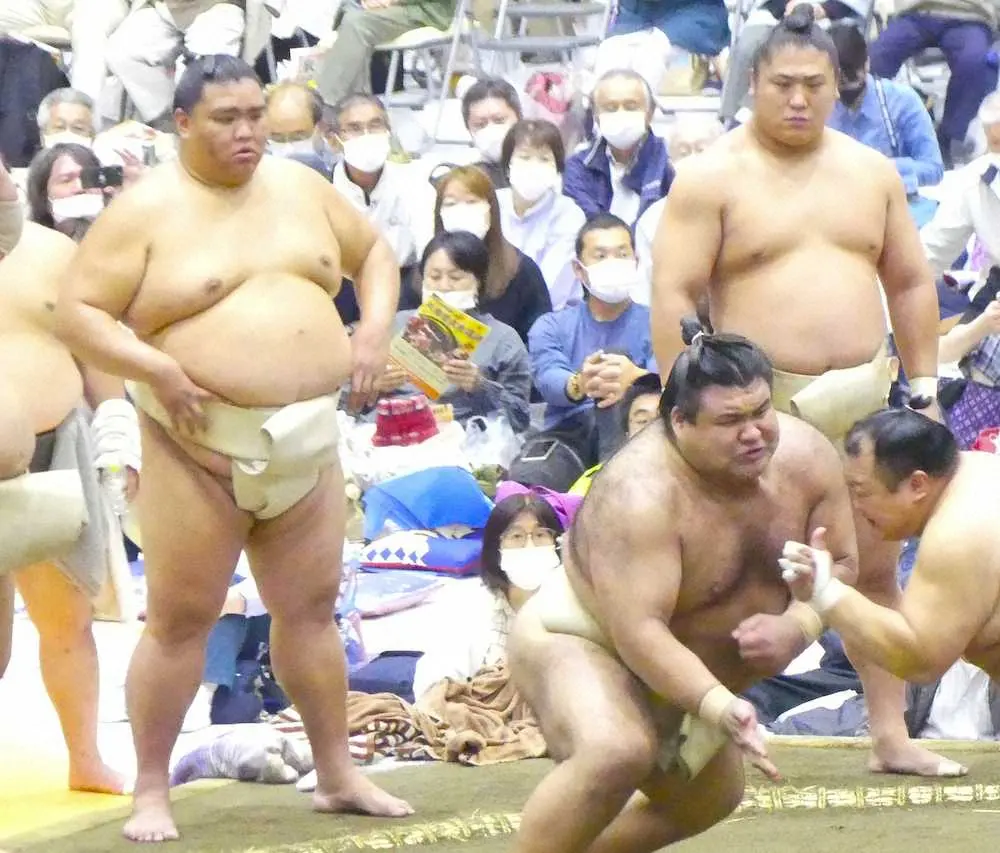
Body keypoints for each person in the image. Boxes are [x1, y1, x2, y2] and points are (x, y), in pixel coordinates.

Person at [54, 55, 412, 843]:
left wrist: (373, 329)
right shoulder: (146, 211)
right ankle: (152, 788)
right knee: (182, 620)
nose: (247, 131)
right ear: (182, 122)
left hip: (306, 441)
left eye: (255, 115)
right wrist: (154, 368)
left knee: (311, 612)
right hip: (195, 445)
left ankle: (337, 773)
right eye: (226, 118)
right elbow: (78, 311)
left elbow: (375, 255)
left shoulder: (303, 189)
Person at [651, 6, 957, 777]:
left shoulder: (871, 172)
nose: (798, 99)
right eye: (783, 84)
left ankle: (890, 734)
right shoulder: (711, 177)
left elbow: (910, 281)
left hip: (864, 394)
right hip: (757, 406)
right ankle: (689, 735)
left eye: (814, 85)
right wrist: (679, 411)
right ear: (752, 82)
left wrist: (923, 386)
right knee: (730, 575)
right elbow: (675, 294)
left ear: (837, 85)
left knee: (874, 571)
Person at [509, 324, 862, 853]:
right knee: (616, 750)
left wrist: (799, 624)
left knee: (708, 798)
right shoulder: (640, 494)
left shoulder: (807, 457)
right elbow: (639, 632)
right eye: (730, 421)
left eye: (760, 412)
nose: (754, 434)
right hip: (583, 637)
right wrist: (718, 706)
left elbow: (845, 561)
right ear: (679, 421)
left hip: (691, 666)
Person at [0, 216, 137, 796]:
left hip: (57, 443)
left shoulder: (52, 250)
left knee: (68, 619)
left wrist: (117, 428)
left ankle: (86, 758)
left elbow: (93, 345)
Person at [781, 408, 1000, 697]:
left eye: (861, 492)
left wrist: (826, 591)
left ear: (917, 484)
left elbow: (921, 660)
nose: (855, 507)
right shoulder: (977, 468)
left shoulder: (958, 533)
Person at [412, 488, 570, 699]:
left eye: (540, 535)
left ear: (557, 543)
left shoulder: (571, 603)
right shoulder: (471, 606)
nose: (529, 546)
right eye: (516, 536)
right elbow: (435, 679)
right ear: (496, 548)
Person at [528, 214, 656, 468]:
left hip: (642, 429)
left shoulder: (659, 322)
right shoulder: (550, 326)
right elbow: (547, 377)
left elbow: (672, 377)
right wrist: (581, 382)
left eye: (622, 254)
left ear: (636, 262)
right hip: (569, 433)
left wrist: (637, 379)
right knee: (533, 473)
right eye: (601, 256)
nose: (613, 263)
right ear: (579, 269)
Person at [377, 231, 533, 432]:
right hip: (393, 434)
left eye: (456, 277)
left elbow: (520, 418)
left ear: (478, 281)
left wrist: (480, 386)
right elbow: (348, 401)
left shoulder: (503, 340)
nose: (444, 286)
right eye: (434, 277)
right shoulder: (393, 325)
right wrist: (375, 386)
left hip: (466, 437)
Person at [826, 23, 943, 227]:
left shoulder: (902, 101)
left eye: (851, 79)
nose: (842, 91)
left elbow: (933, 169)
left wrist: (883, 169)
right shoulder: (819, 104)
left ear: (867, 64)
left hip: (896, 205)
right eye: (836, 83)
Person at [427, 165, 551, 343]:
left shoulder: (522, 271)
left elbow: (540, 340)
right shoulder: (423, 273)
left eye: (471, 202)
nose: (462, 211)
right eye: (451, 203)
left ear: (491, 209)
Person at [868, 0, 998, 168]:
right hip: (917, 12)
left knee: (974, 62)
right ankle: (870, 129)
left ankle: (947, 139)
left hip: (971, 16)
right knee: (875, 58)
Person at [563, 69, 673, 226]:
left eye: (631, 106)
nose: (621, 114)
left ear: (650, 112)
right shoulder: (579, 167)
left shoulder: (669, 161)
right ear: (596, 115)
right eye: (610, 108)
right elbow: (593, 227)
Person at [497, 119, 587, 311]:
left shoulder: (569, 215)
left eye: (544, 159)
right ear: (507, 165)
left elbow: (552, 289)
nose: (533, 167)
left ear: (557, 170)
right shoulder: (492, 203)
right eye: (524, 157)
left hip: (550, 314)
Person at [315, 0, 456, 111]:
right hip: (380, 8)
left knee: (357, 24)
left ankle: (324, 107)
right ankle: (356, 111)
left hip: (425, 8)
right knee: (351, 15)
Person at [568, 371, 663, 496]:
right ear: (627, 433)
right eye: (642, 421)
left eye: (660, 420)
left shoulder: (687, 478)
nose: (651, 428)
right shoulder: (596, 481)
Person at [461, 77, 523, 189]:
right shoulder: (467, 183)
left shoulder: (543, 167)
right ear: (469, 130)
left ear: (519, 118)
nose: (491, 129)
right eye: (480, 124)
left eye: (499, 120)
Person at [264, 81, 337, 174]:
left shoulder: (343, 175)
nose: (289, 150)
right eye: (278, 139)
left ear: (320, 128)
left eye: (298, 138)